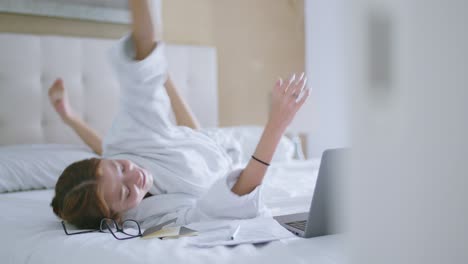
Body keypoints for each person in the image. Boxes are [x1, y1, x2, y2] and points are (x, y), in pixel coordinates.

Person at [50, 0, 310, 230]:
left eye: (120, 167)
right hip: (208, 155)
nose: (135, 176)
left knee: (146, 121)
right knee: (189, 136)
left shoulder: (124, 147)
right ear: (115, 218)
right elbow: (228, 201)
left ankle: (161, 75)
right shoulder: (152, 218)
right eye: (125, 192)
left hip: (205, 144)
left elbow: (143, 47)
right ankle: (159, 76)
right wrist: (276, 124)